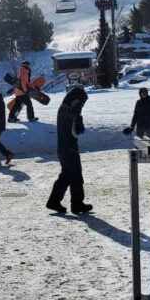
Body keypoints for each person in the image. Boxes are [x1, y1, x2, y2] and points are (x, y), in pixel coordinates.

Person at [46, 86, 92, 215]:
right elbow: (74, 115)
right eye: (81, 103)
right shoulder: (66, 110)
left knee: (67, 175)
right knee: (75, 175)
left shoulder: (65, 109)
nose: (81, 106)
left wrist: (78, 120)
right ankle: (77, 204)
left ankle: (54, 201)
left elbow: (76, 126)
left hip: (65, 147)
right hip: (68, 147)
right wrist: (78, 114)